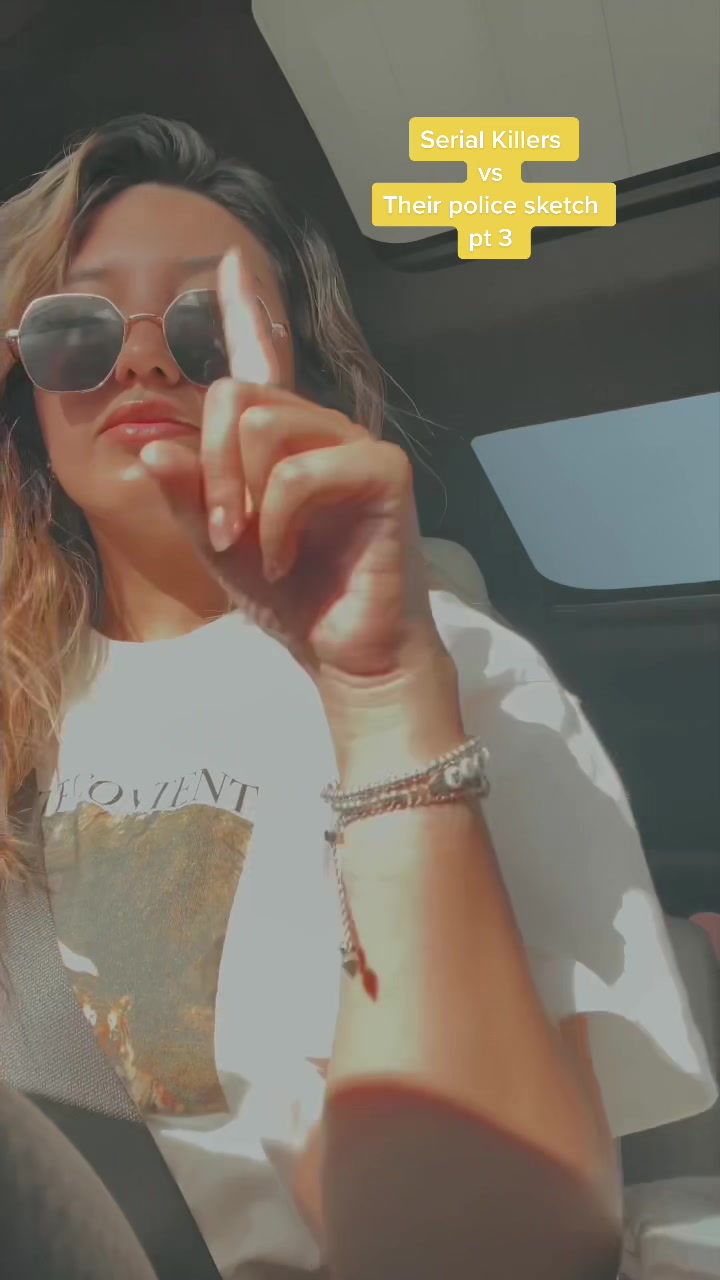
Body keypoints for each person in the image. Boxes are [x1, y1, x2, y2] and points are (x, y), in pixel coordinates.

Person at [0, 114, 716, 1280]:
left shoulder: (462, 670)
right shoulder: (15, 701)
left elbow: (499, 1250)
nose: (145, 362)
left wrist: (383, 697)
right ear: (22, 389)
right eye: (75, 328)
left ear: (297, 375)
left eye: (204, 326)